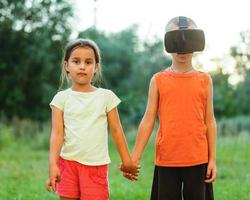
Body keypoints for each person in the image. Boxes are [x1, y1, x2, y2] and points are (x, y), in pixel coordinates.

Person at [126, 16, 217, 200]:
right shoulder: (158, 80)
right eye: (176, 40)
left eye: (187, 40)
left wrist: (212, 159)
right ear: (167, 44)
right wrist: (134, 157)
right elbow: (148, 119)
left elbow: (210, 120)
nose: (182, 49)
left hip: (198, 159)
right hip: (167, 159)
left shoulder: (204, 80)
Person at [45, 38, 139, 200]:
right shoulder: (61, 98)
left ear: (96, 67)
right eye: (76, 61)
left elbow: (116, 130)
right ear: (66, 66)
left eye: (88, 62)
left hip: (96, 166)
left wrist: (127, 162)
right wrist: (53, 165)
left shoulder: (106, 97)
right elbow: (57, 134)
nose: (82, 66)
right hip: (67, 164)